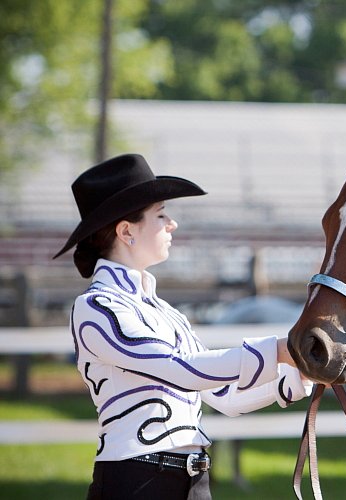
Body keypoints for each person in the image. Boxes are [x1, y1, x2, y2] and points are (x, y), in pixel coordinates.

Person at [53, 154, 312, 500]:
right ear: (126, 231)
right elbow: (181, 371)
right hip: (136, 482)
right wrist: (279, 350)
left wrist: (302, 371)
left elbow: (226, 396)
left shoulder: (167, 313)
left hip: (193, 483)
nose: (172, 223)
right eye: (161, 215)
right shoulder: (98, 308)